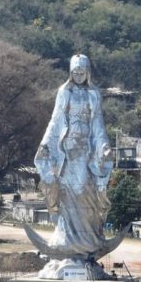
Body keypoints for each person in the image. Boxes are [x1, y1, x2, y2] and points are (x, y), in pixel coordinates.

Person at [34, 54, 114, 257]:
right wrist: (45, 144)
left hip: (86, 152)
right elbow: (56, 119)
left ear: (88, 73)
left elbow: (98, 124)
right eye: (75, 72)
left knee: (86, 194)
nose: (78, 75)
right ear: (70, 73)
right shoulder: (64, 92)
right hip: (67, 152)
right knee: (67, 195)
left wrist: (104, 147)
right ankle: (65, 240)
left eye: (82, 72)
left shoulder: (94, 94)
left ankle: (88, 239)